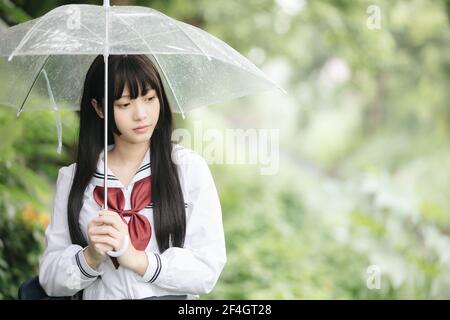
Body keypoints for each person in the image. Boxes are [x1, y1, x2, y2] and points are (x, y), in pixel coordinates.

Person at [38, 54, 227, 300]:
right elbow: (50, 279)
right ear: (98, 108)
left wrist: (138, 260)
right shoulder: (74, 178)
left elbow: (206, 269)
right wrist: (91, 256)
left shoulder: (187, 169)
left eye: (150, 99)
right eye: (125, 104)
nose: (141, 114)